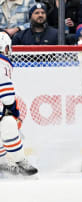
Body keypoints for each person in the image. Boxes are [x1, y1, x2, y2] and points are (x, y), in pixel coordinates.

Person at [0, 32, 38, 176]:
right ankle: (20, 161)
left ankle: (2, 162)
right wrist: (14, 112)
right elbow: (7, 96)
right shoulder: (2, 61)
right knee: (9, 123)